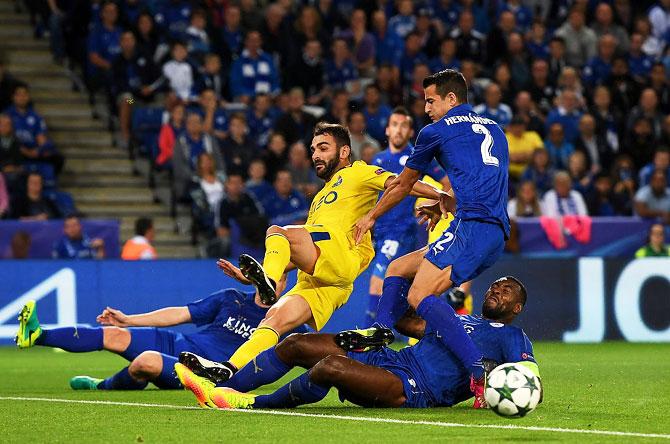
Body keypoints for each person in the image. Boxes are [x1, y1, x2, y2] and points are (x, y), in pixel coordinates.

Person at [179, 122, 446, 383]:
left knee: (278, 231)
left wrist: (441, 196)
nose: (316, 155)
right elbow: (294, 253)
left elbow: (401, 183)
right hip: (324, 282)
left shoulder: (358, 172)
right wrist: (250, 278)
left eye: (323, 148)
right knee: (274, 320)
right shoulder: (320, 197)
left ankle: (268, 281)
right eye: (313, 149)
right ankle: (229, 368)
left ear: (343, 152)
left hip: (340, 253)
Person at [351, 69, 510, 407]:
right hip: (488, 227)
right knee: (398, 268)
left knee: (420, 293)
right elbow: (481, 180)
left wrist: (371, 216)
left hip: (473, 227)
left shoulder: (434, 132)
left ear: (451, 99)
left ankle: (477, 368)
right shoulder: (496, 129)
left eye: (431, 100)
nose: (426, 108)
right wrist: (445, 204)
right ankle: (381, 332)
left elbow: (404, 184)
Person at [176, 276, 540, 411]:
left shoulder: (512, 336)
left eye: (506, 290)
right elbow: (404, 322)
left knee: (330, 367)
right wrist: (406, 290)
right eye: (495, 285)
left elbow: (529, 382)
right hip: (392, 358)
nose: (496, 290)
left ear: (518, 307)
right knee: (297, 343)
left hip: (413, 389)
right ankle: (220, 385)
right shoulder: (459, 320)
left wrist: (488, 375)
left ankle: (249, 404)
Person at [14, 260, 302, 390]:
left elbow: (307, 350)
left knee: (147, 362)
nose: (274, 281)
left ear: (286, 284)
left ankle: (102, 386)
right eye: (269, 273)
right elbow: (179, 313)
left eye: (280, 277)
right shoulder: (231, 298)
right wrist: (128, 320)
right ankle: (37, 335)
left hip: (200, 369)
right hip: (179, 344)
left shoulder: (287, 321)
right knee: (115, 335)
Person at [366, 107, 449, 325]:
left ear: (411, 132)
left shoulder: (417, 156)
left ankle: (367, 337)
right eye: (395, 124)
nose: (399, 130)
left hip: (401, 231)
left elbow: (447, 182)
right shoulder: (378, 159)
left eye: (404, 125)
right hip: (379, 231)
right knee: (402, 290)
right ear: (387, 130)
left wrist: (438, 202)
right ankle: (400, 331)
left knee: (377, 282)